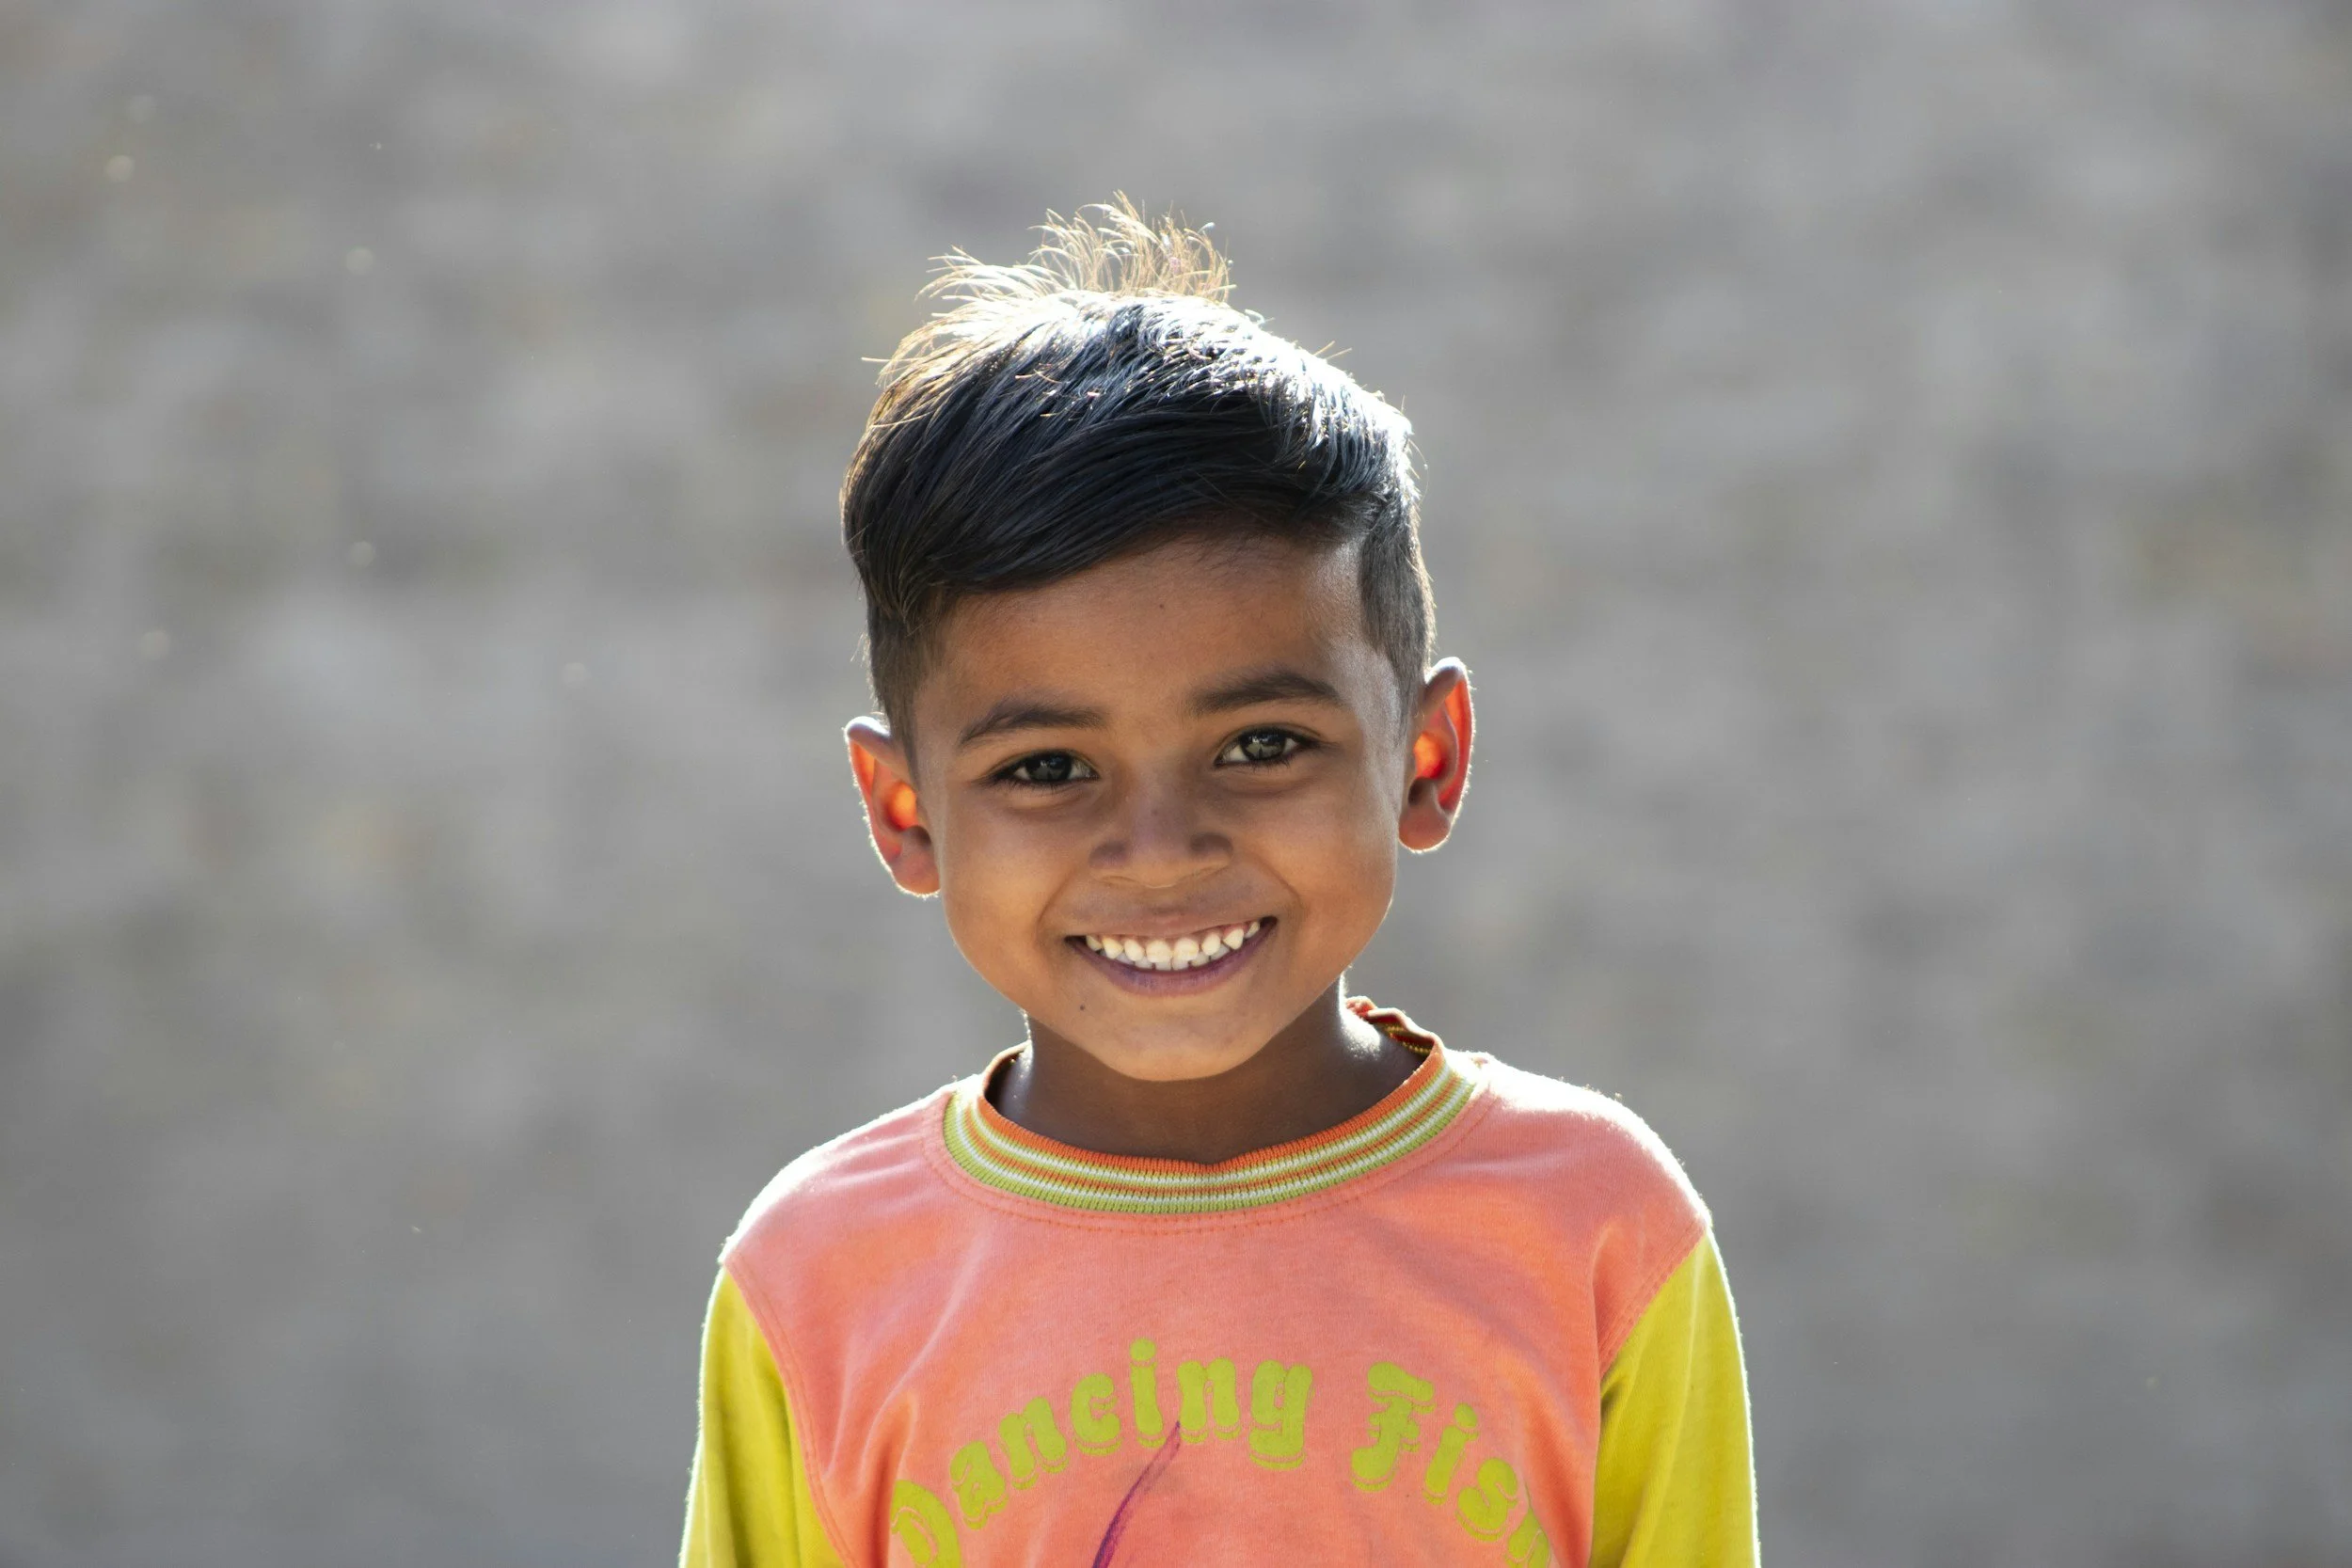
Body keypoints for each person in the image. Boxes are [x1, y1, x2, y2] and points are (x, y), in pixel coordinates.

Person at [679, 201, 1756, 1567]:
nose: (1163, 846)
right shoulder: (816, 1274)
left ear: (1427, 759)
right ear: (904, 812)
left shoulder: (1596, 1223)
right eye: (1049, 767)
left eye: (1262, 746)